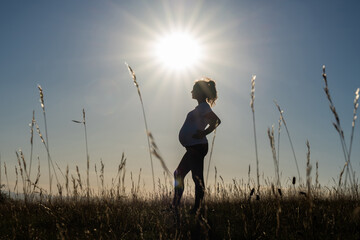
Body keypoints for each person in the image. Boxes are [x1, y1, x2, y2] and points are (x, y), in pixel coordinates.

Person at [172, 77, 221, 214]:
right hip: (194, 146)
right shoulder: (201, 107)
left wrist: (203, 133)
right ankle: (176, 206)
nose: (191, 91)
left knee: (195, 177)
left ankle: (196, 209)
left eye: (194, 89)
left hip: (198, 146)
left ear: (200, 92)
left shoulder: (205, 107)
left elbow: (216, 121)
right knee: (179, 174)